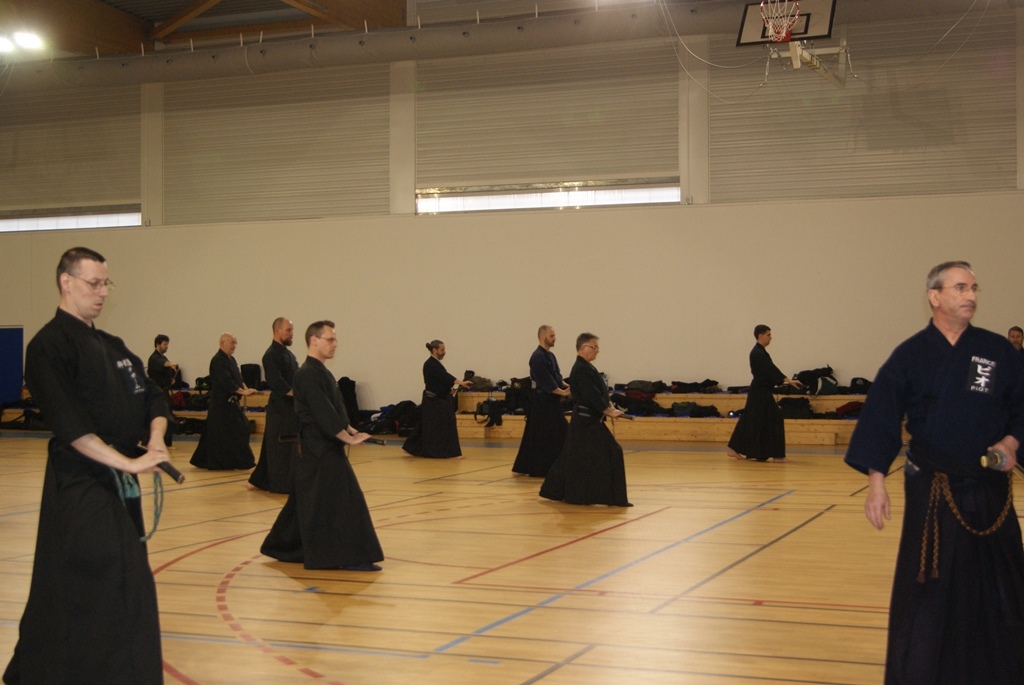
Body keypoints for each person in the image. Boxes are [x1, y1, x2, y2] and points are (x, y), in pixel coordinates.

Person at [845, 261, 1024, 685]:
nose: (971, 296)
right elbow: (882, 415)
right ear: (935, 296)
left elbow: (1021, 405)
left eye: (974, 288)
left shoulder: (997, 351)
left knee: (1001, 582)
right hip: (934, 487)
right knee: (931, 584)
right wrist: (876, 483)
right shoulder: (910, 355)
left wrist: (1012, 443)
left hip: (990, 488)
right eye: (960, 287)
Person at [4, 247, 172, 685]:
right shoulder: (47, 346)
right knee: (102, 576)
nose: (102, 292)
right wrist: (128, 464)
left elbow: (153, 397)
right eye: (94, 283)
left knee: (120, 579)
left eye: (105, 284)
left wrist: (155, 438)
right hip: (80, 482)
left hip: (120, 481)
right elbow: (72, 427)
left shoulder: (113, 346)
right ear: (66, 282)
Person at [261, 320, 384, 571]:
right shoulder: (306, 374)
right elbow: (321, 412)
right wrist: (347, 438)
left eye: (335, 339)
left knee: (311, 502)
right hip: (317, 450)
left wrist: (351, 429)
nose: (335, 344)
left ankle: (283, 546)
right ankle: (345, 557)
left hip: (324, 446)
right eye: (330, 339)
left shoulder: (321, 372)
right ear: (314, 340)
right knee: (343, 500)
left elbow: (334, 407)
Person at [539, 333, 631, 506]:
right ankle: (612, 497)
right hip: (586, 422)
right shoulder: (581, 369)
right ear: (582, 348)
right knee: (612, 451)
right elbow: (590, 395)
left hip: (586, 421)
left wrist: (610, 406)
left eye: (597, 347)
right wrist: (607, 410)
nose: (597, 350)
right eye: (594, 347)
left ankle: (561, 491)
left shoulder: (587, 367)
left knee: (574, 457)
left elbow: (598, 392)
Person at [726, 325, 803, 463]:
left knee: (750, 419)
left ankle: (735, 448)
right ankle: (778, 456)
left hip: (761, 391)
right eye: (768, 335)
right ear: (760, 336)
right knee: (774, 417)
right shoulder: (757, 353)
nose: (770, 338)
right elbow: (770, 369)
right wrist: (788, 380)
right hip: (759, 392)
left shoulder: (760, 352)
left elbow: (771, 369)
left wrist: (787, 380)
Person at [190, 332, 257, 470]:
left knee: (234, 430)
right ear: (222, 343)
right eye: (232, 342)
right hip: (221, 404)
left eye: (235, 343)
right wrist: (241, 391)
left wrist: (246, 389)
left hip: (231, 402)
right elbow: (225, 381)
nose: (234, 345)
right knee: (237, 430)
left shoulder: (231, 359)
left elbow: (238, 378)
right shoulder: (217, 360)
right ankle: (242, 462)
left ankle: (204, 460)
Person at [248, 317, 299, 493]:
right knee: (279, 447)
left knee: (282, 447)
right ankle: (280, 482)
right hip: (280, 410)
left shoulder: (288, 354)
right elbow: (276, 382)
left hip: (292, 408)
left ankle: (260, 480)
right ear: (277, 331)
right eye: (288, 330)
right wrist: (298, 394)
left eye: (292, 330)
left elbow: (296, 377)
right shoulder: (270, 355)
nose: (291, 334)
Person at [512, 325, 571, 477]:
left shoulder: (550, 356)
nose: (554, 338)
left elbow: (556, 376)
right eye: (551, 336)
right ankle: (542, 468)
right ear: (542, 337)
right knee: (548, 435)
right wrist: (562, 392)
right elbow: (545, 381)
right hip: (542, 403)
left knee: (540, 435)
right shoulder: (537, 357)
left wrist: (568, 386)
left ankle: (532, 467)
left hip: (551, 402)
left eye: (554, 335)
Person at [402, 339, 471, 459]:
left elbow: (439, 380)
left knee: (426, 425)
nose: (444, 352)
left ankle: (412, 447)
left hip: (436, 399)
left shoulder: (435, 364)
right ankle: (450, 452)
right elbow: (444, 376)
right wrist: (460, 382)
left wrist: (449, 389)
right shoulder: (430, 364)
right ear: (434, 350)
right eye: (442, 350)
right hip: (433, 400)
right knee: (446, 423)